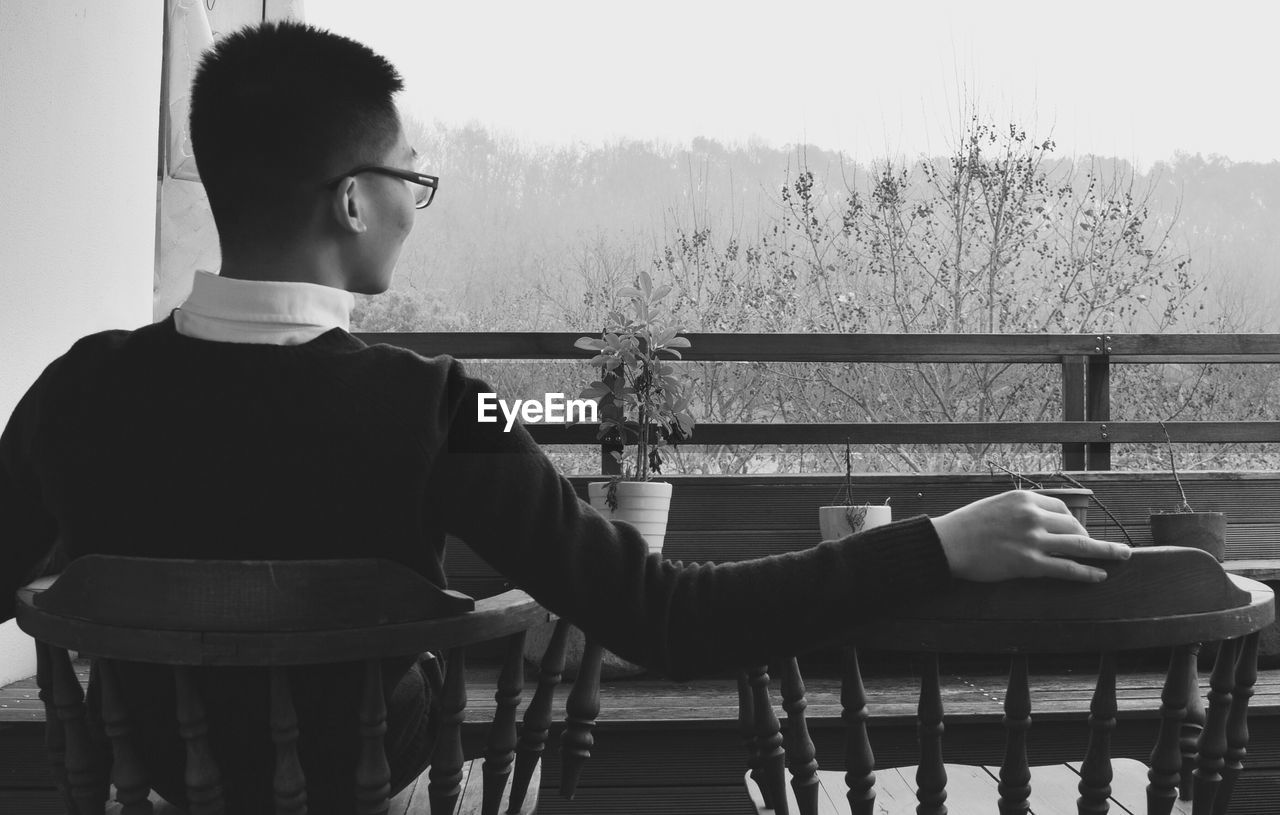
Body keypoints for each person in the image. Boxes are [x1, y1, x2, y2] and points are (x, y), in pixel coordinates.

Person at [0, 19, 1130, 813]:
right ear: (351, 197)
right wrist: (937, 540)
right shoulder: (438, 405)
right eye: (410, 176)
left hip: (139, 788)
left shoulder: (73, 388)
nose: (414, 202)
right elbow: (660, 616)